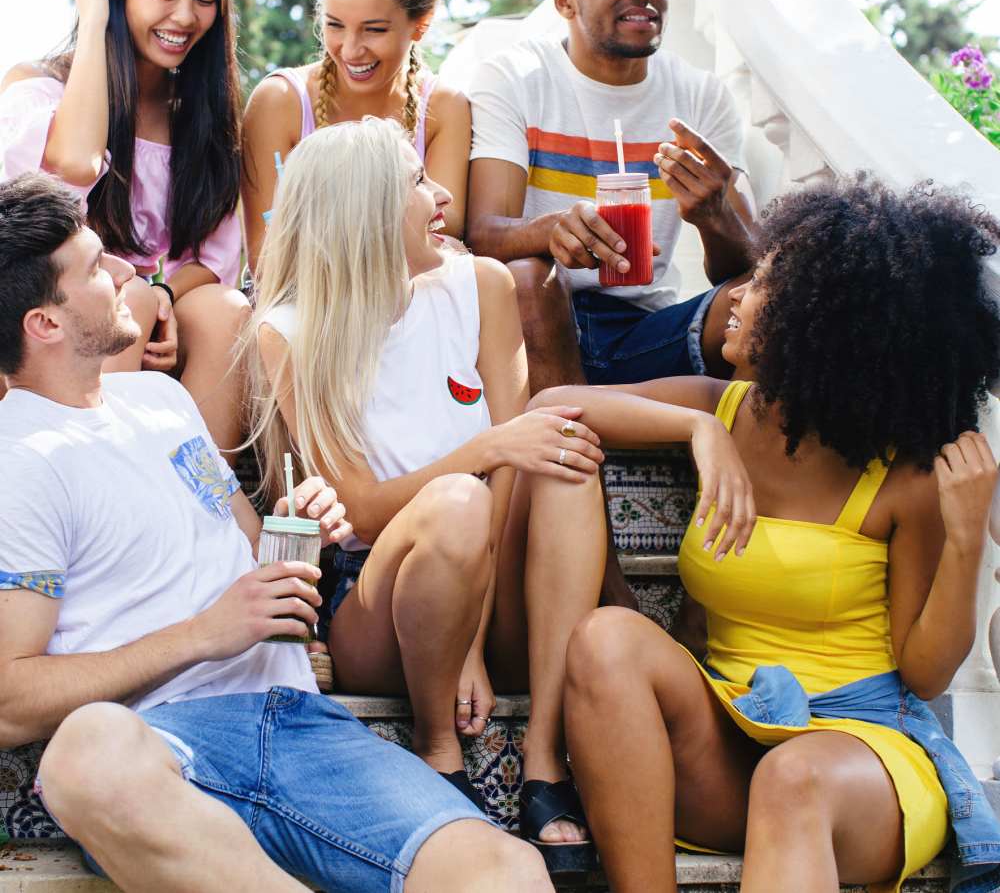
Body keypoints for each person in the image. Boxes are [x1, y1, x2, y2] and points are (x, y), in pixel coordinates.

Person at [0, 171, 552, 893]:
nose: (127, 273)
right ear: (44, 323)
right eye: (98, 268)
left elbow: (252, 549)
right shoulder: (22, 460)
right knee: (84, 756)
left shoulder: (161, 400)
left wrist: (304, 534)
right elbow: (9, 700)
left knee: (507, 870)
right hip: (162, 739)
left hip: (297, 720)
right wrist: (205, 634)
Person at [246, 116, 755, 870]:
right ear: (365, 210)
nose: (441, 192)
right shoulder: (288, 331)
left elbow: (519, 459)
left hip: (497, 592)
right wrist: (481, 450)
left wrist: (474, 639)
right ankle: (438, 745)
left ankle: (544, 760)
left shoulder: (478, 286)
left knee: (558, 437)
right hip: (380, 603)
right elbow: (355, 507)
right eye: (415, 183)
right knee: (462, 497)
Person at [551, 177, 1000, 893]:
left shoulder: (904, 479)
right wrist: (698, 428)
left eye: (764, 286)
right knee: (606, 640)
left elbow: (925, 673)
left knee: (795, 778)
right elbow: (554, 406)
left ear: (828, 328)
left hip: (862, 757)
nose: (735, 298)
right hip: (732, 732)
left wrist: (970, 540)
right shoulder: (722, 409)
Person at [466, 0, 758, 395]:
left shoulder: (700, 95)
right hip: (537, 317)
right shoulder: (516, 77)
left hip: (648, 329)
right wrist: (552, 229)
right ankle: (571, 453)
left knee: (769, 298)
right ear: (565, 1)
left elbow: (746, 264)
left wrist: (714, 215)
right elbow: (481, 233)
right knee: (525, 275)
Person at [0, 0, 249, 457]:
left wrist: (163, 295)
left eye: (204, 1)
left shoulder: (199, 116)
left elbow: (213, 261)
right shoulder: (38, 88)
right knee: (127, 297)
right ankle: (105, 488)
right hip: (45, 305)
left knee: (223, 311)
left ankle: (207, 506)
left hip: (141, 307)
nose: (185, 17)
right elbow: (74, 167)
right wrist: (95, 20)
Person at [241, 0, 471, 275]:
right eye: (335, 25)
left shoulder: (444, 107)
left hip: (411, 302)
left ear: (420, 25)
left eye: (374, 29)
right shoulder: (280, 101)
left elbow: (444, 241)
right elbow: (265, 257)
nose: (350, 50)